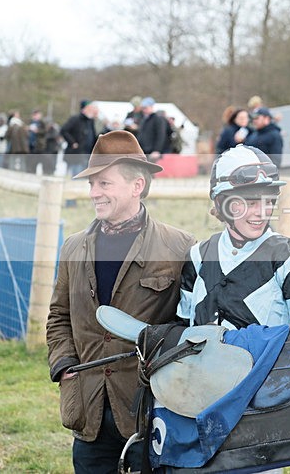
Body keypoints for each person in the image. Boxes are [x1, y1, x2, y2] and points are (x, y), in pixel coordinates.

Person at [46, 130, 195, 473]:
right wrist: (64, 363)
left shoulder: (180, 248)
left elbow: (191, 326)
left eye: (104, 184)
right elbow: (59, 315)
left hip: (149, 411)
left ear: (136, 185)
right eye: (91, 185)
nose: (94, 193)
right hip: (89, 408)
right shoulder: (73, 248)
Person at [178, 145, 290, 335]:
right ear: (221, 203)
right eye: (250, 203)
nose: (261, 213)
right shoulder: (197, 256)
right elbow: (182, 330)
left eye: (268, 202)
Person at [62, 100, 99, 176]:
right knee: (77, 176)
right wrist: (73, 142)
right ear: (84, 109)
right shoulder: (75, 119)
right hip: (77, 153)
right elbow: (64, 130)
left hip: (88, 153)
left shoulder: (90, 121)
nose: (92, 110)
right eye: (90, 108)